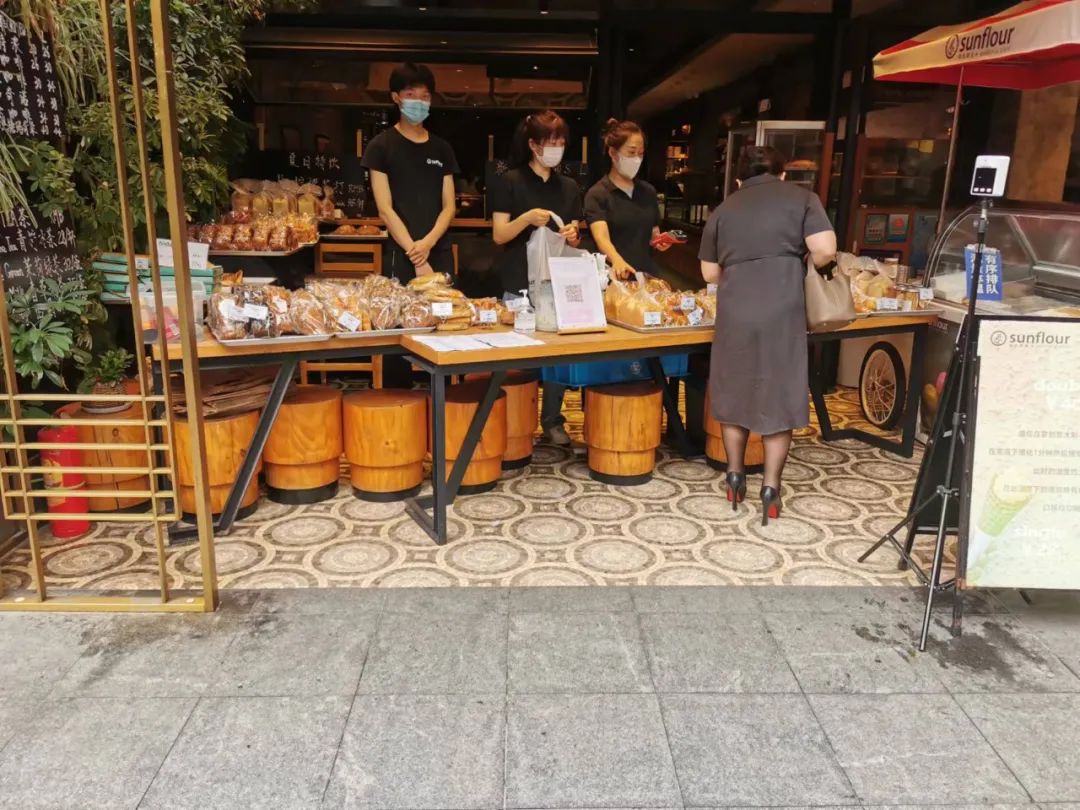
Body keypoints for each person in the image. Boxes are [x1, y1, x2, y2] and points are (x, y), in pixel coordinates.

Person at [699, 145, 837, 525]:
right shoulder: (803, 198)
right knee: (778, 392)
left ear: (739, 178)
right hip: (783, 309)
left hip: (737, 310)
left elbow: (709, 274)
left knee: (735, 388)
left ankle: (734, 475)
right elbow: (825, 250)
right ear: (781, 173)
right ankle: (771, 488)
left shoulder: (724, 210)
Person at [362, 62, 459, 388]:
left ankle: (445, 409)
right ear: (395, 97)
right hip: (401, 256)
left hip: (439, 251)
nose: (419, 101)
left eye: (425, 95)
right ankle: (397, 411)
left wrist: (428, 244)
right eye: (411, 94)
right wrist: (415, 254)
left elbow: (449, 207)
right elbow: (385, 209)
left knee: (443, 330)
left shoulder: (442, 148)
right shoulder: (381, 146)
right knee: (398, 337)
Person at [489, 111, 583, 445]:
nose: (556, 148)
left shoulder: (569, 187)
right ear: (532, 144)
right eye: (549, 142)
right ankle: (516, 424)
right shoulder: (509, 180)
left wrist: (574, 234)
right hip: (518, 279)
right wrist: (526, 218)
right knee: (519, 353)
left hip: (557, 281)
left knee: (558, 353)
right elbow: (499, 235)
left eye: (560, 142)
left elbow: (573, 235)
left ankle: (552, 419)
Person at [585, 119, 671, 280]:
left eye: (641, 153)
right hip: (613, 278)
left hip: (647, 276)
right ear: (612, 153)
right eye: (631, 152)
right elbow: (601, 237)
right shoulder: (598, 194)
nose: (637, 159)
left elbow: (653, 233)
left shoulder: (648, 191)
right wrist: (617, 260)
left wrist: (660, 241)